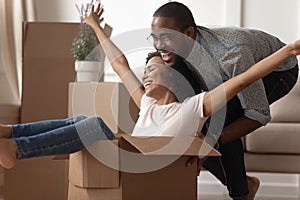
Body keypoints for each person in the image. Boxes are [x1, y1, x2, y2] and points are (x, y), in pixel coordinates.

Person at [0, 4, 299, 188]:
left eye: (152, 70)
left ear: (172, 77)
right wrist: (93, 25)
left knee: (94, 125)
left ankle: (18, 150)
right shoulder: (147, 103)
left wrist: (286, 51)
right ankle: (11, 133)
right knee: (84, 121)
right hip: (129, 157)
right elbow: (119, 63)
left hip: (146, 167)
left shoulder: (193, 108)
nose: (145, 75)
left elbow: (245, 78)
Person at [149, 2, 299, 200]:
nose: (159, 45)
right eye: (154, 38)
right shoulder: (176, 52)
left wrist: (211, 142)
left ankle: (241, 194)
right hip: (226, 70)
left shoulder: (230, 55)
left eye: (167, 37)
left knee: (219, 123)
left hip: (280, 70)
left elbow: (258, 114)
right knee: (189, 125)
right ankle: (246, 183)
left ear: (189, 33)